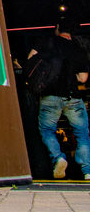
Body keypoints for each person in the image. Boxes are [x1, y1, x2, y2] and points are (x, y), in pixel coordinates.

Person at [27, 16, 90, 179]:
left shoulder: (46, 42)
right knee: (81, 133)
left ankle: (59, 158)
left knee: (47, 130)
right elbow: (83, 78)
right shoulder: (78, 49)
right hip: (73, 96)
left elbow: (30, 60)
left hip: (50, 95)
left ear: (57, 27)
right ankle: (87, 170)